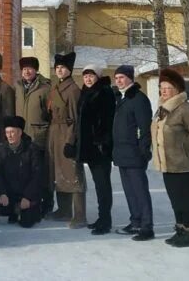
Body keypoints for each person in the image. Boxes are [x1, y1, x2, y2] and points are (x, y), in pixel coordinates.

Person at [152, 68, 189, 247]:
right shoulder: (162, 109)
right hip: (168, 164)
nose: (164, 91)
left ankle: (188, 234)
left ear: (177, 89)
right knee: (176, 200)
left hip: (185, 164)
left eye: (168, 87)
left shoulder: (185, 108)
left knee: (187, 201)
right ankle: (180, 230)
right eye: (162, 87)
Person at [71, 64, 115, 235]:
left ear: (98, 76)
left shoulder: (104, 92)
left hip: (100, 148)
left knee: (103, 185)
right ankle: (101, 217)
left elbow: (108, 120)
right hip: (91, 147)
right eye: (85, 76)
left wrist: (102, 141)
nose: (88, 79)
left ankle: (106, 220)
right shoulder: (86, 92)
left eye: (91, 76)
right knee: (98, 185)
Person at [112, 64, 155, 241]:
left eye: (121, 77)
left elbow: (145, 127)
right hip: (122, 152)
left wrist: (144, 150)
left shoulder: (138, 99)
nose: (118, 81)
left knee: (140, 191)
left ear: (130, 78)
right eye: (116, 78)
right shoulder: (121, 98)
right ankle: (135, 221)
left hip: (135, 153)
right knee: (129, 191)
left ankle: (147, 226)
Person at [50, 52, 86, 227]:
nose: (59, 70)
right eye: (57, 68)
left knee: (73, 173)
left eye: (63, 68)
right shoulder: (57, 87)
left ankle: (80, 215)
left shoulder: (72, 90)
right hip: (55, 132)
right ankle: (64, 210)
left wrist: (70, 141)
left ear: (69, 70)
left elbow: (74, 118)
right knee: (58, 171)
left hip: (66, 132)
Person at [15, 56, 51, 216]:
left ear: (36, 70)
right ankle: (28, 205)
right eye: (24, 69)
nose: (27, 72)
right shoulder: (17, 87)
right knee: (25, 174)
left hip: (39, 137)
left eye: (30, 68)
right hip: (22, 138)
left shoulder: (46, 88)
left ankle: (46, 204)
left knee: (41, 174)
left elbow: (51, 114)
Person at [0, 115, 41, 228]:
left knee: (27, 222)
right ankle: (14, 210)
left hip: (26, 194)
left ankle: (27, 209)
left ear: (20, 132)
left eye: (12, 132)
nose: (9, 135)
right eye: (7, 132)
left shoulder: (31, 149)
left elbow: (37, 175)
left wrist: (27, 196)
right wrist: (2, 193)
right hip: (9, 194)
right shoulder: (2, 149)